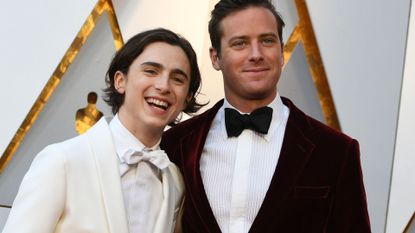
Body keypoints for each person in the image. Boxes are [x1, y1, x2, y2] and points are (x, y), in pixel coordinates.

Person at [161, 0, 371, 232]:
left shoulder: (336, 151)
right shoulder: (174, 145)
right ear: (215, 58)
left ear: (281, 51)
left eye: (267, 41)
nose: (256, 54)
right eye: (240, 43)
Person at [2, 28, 204, 233]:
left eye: (178, 79)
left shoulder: (175, 180)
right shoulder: (61, 160)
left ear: (187, 98)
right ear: (120, 81)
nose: (163, 86)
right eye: (151, 71)